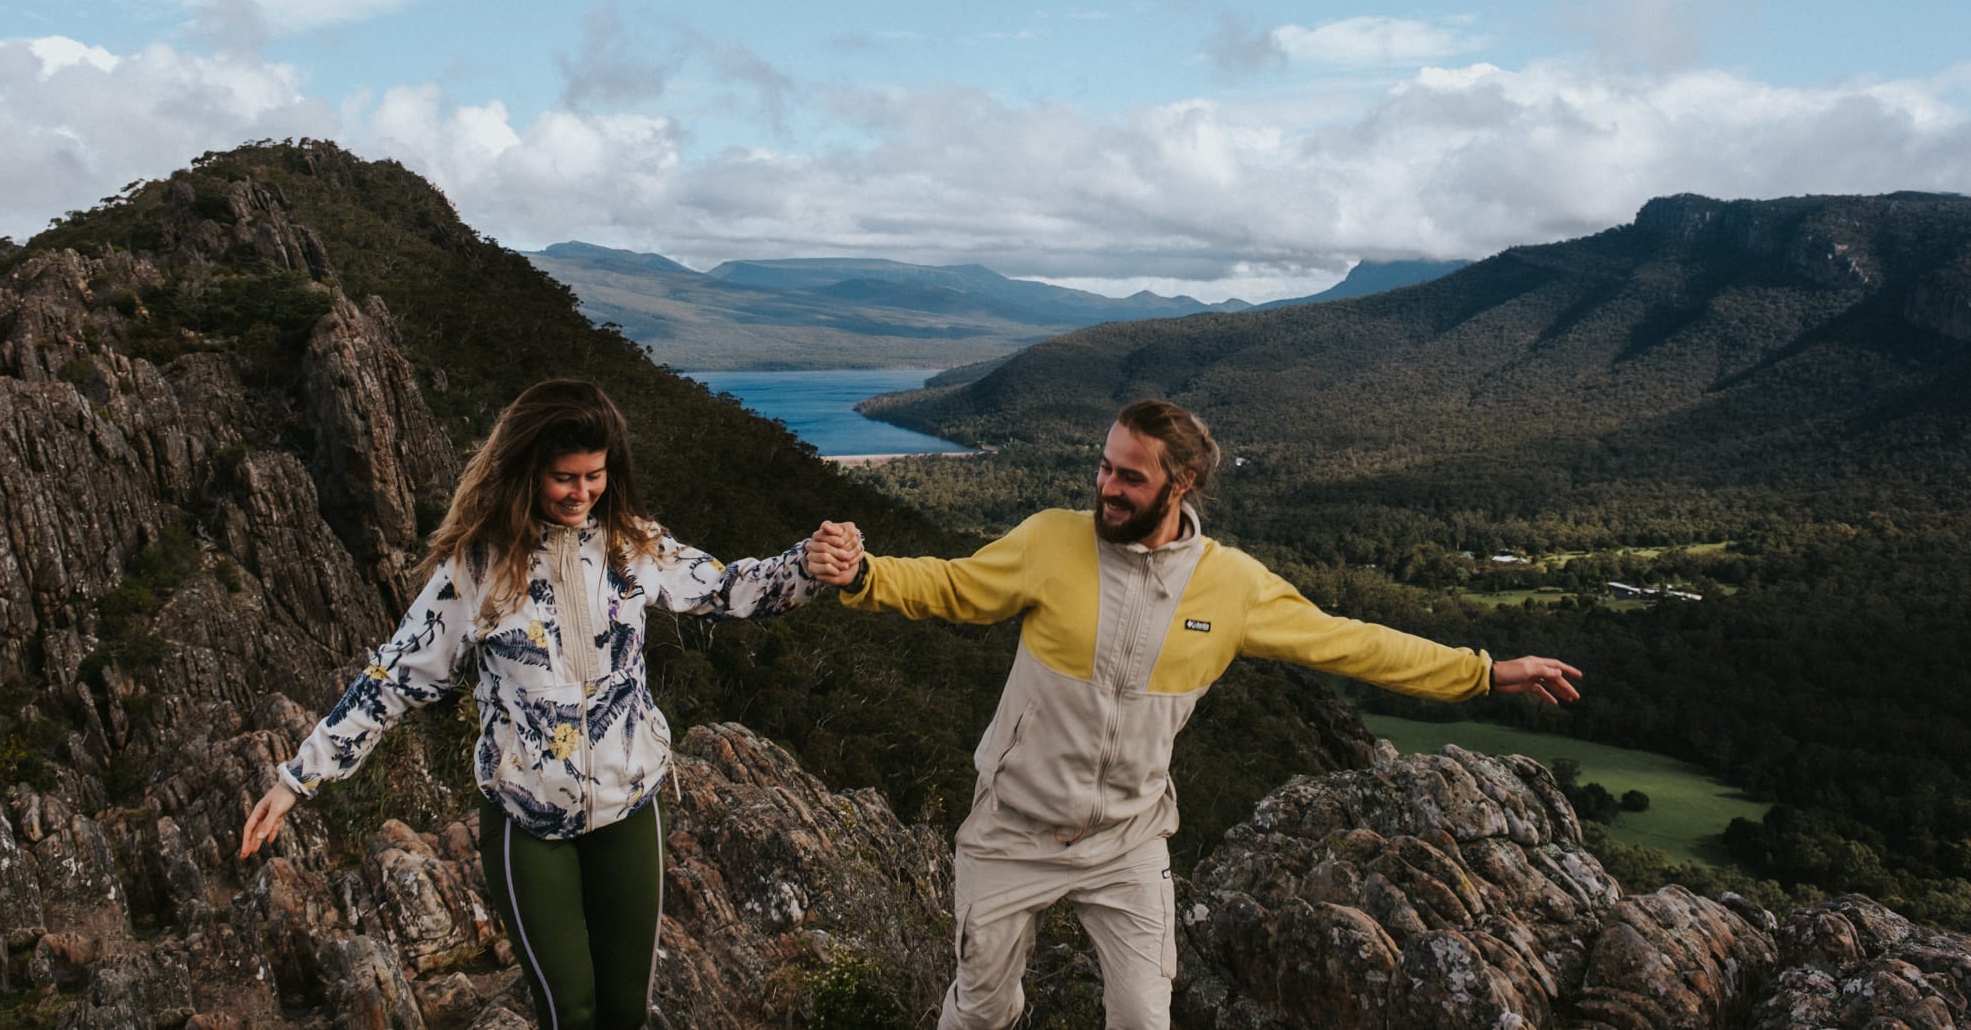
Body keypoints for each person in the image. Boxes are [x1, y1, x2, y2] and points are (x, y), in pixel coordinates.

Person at [807, 398, 1582, 1030]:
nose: (1107, 487)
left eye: (1130, 478)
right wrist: (863, 573)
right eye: (1104, 466)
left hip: (1129, 840)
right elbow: (949, 585)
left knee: (1145, 1019)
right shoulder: (1051, 541)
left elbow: (1354, 645)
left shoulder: (1231, 587)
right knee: (981, 1010)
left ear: (1180, 486)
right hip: (1012, 828)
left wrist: (1483, 672)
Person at [239, 378, 854, 1030]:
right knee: (570, 1010)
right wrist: (296, 779)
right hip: (527, 822)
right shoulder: (476, 568)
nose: (583, 492)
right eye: (565, 476)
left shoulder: (631, 542)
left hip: (629, 808)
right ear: (527, 470)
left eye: (595, 475)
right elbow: (391, 676)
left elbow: (730, 589)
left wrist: (807, 564)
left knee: (623, 1010)